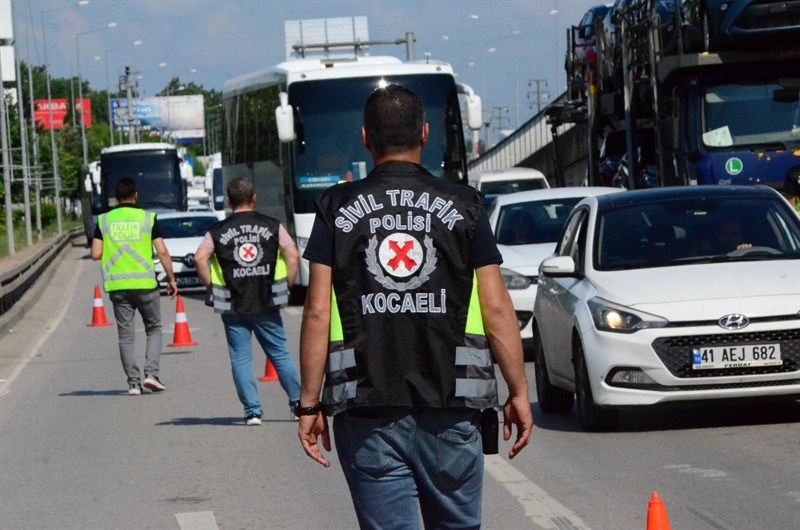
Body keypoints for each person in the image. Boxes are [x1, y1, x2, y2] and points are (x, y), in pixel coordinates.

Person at [297, 84, 533, 529]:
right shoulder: (466, 206)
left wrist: (309, 406)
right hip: (453, 409)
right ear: (425, 134)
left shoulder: (334, 207)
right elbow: (497, 307)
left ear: (365, 138)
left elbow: (316, 313)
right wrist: (518, 392)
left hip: (367, 410)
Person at [194, 178, 301, 426]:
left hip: (232, 304)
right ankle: (297, 404)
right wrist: (287, 285)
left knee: (240, 359)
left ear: (229, 201)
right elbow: (293, 256)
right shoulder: (273, 226)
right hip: (267, 300)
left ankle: (252, 411)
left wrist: (212, 286)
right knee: (280, 355)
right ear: (254, 198)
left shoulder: (217, 231)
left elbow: (200, 258)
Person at [91, 177, 178, 396]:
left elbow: (95, 254)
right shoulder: (147, 219)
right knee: (154, 328)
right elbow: (162, 251)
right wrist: (171, 279)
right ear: (136, 195)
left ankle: (133, 384)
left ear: (116, 199)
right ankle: (151, 374)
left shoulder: (104, 221)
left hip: (118, 287)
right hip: (145, 284)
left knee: (126, 335)